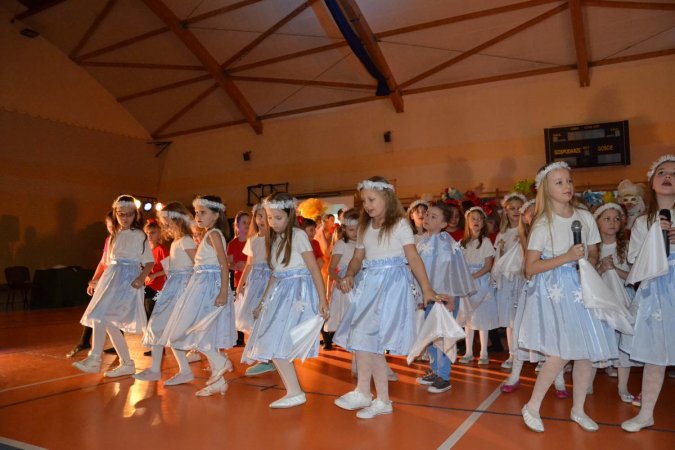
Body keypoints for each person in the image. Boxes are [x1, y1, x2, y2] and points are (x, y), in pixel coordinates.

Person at [519, 162, 617, 433]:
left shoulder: (585, 217)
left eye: (569, 180)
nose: (567, 186)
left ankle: (578, 409)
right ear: (546, 190)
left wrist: (587, 264)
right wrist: (566, 258)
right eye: (559, 182)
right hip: (557, 291)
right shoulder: (543, 223)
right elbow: (530, 267)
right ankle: (532, 406)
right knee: (561, 353)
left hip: (583, 285)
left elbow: (594, 251)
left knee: (585, 353)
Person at [333, 176, 441, 419]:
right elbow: (357, 258)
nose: (367, 205)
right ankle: (371, 395)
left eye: (372, 199)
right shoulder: (365, 227)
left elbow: (413, 257)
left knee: (370, 340)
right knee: (364, 339)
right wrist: (349, 274)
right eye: (364, 201)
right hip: (369, 284)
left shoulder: (399, 225)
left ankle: (373, 396)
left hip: (391, 286)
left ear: (387, 198)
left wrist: (426, 287)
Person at [242, 193, 328, 408]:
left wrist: (322, 299)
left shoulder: (298, 236)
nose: (272, 223)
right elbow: (275, 273)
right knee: (271, 340)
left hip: (296, 291)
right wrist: (262, 302)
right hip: (280, 291)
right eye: (269, 218)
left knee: (276, 340)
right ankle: (294, 391)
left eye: (278, 218)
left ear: (290, 216)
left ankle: (295, 392)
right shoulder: (274, 239)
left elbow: (313, 268)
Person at [620, 155, 675, 432]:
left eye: (674, 173)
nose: (668, 177)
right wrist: (656, 237)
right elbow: (633, 259)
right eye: (662, 172)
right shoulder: (643, 222)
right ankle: (646, 413)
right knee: (656, 352)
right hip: (656, 288)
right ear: (652, 182)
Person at [73, 195, 154, 377]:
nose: (125, 218)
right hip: (112, 278)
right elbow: (107, 262)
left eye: (129, 214)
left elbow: (149, 262)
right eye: (121, 214)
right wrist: (96, 280)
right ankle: (127, 363)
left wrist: (141, 278)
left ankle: (95, 359)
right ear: (115, 214)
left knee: (101, 316)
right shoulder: (114, 236)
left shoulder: (139, 235)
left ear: (135, 215)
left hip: (127, 280)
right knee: (108, 322)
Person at [163, 196, 235, 396]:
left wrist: (223, 292)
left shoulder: (214, 234)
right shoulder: (208, 234)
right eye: (196, 213)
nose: (197, 216)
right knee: (201, 332)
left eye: (203, 212)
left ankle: (220, 361)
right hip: (201, 285)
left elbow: (224, 264)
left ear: (216, 215)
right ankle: (218, 382)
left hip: (208, 287)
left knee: (192, 330)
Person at [415, 201, 475, 393]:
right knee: (430, 335)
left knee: (442, 336)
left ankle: (444, 376)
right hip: (429, 297)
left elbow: (452, 271)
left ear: (443, 224)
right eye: (427, 214)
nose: (427, 218)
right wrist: (419, 295)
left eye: (433, 216)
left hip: (444, 297)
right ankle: (435, 370)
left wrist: (451, 296)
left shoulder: (446, 242)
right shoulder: (423, 242)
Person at [134, 203, 196, 382]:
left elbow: (198, 266)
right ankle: (162, 370)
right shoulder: (176, 242)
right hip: (172, 289)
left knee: (166, 329)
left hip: (180, 291)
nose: (165, 226)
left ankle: (190, 369)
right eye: (164, 223)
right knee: (159, 328)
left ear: (178, 221)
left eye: (168, 223)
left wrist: (190, 291)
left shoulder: (186, 241)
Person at [593, 203, 640, 403]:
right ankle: (587, 382)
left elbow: (634, 277)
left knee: (623, 341)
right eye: (607, 219)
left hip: (623, 299)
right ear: (597, 223)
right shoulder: (593, 248)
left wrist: (615, 269)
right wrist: (602, 269)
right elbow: (586, 278)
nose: (612, 223)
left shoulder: (626, 247)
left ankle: (623, 386)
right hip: (600, 300)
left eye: (616, 219)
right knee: (597, 338)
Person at [67, 211, 114, 358]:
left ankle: (89, 345)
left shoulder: (124, 240)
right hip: (107, 280)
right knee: (97, 310)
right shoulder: (109, 240)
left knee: (110, 314)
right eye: (109, 226)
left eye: (114, 226)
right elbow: (103, 262)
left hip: (116, 281)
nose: (112, 229)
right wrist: (93, 281)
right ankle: (85, 342)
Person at [236, 204, 275, 377]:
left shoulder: (274, 239)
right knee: (253, 319)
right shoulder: (252, 240)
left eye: (265, 216)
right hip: (255, 282)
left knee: (266, 318)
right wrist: (241, 285)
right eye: (258, 216)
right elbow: (249, 264)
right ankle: (264, 357)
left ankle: (268, 359)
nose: (261, 219)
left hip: (269, 281)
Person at [457, 207, 498, 365]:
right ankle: (468, 352)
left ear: (483, 223)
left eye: (480, 219)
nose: (476, 221)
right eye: (473, 218)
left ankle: (483, 353)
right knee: (469, 319)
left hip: (480, 283)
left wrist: (473, 276)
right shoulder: (463, 243)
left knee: (482, 319)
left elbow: (488, 266)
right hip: (467, 284)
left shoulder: (485, 242)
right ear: (468, 222)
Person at [493, 193, 527, 369]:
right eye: (511, 208)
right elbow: (498, 260)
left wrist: (522, 241)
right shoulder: (502, 234)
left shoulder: (528, 231)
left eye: (518, 208)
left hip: (522, 278)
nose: (515, 211)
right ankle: (512, 354)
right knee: (511, 320)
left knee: (526, 317)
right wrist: (501, 249)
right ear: (505, 212)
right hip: (507, 281)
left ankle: (535, 355)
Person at [323, 209, 359, 349]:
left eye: (358, 229)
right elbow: (331, 269)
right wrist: (339, 280)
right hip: (346, 286)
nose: (355, 233)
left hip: (361, 282)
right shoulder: (341, 244)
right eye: (351, 230)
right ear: (344, 228)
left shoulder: (362, 243)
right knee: (348, 319)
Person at [142, 219, 169, 356]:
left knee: (153, 317)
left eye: (152, 233)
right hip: (148, 286)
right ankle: (155, 346)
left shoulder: (161, 249)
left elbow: (169, 269)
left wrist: (154, 275)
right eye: (147, 233)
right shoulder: (146, 251)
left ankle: (158, 347)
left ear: (159, 234)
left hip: (158, 288)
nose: (149, 235)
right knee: (148, 316)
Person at [228, 211, 251, 346]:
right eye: (244, 223)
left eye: (249, 222)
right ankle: (239, 337)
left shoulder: (253, 241)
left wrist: (247, 265)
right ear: (237, 225)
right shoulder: (233, 244)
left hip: (252, 279)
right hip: (239, 280)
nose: (247, 225)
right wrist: (236, 266)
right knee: (240, 308)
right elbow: (228, 262)